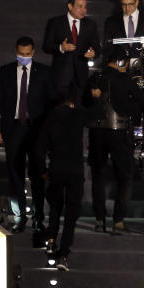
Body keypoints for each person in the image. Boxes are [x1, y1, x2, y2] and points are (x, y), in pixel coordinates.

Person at [85, 45, 144, 234]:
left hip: (97, 132)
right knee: (124, 178)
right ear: (121, 62)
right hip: (120, 133)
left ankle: (99, 220)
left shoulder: (95, 78)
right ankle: (118, 222)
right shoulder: (126, 80)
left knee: (98, 177)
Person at [0, 36, 52, 233]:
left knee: (37, 175)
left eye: (27, 54)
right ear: (16, 52)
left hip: (36, 131)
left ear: (32, 52)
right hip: (13, 128)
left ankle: (39, 217)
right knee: (14, 174)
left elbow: (50, 103)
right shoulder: (6, 72)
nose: (24, 57)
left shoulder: (44, 72)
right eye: (20, 54)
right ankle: (19, 217)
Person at [35, 93, 86, 271]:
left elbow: (39, 148)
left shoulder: (50, 117)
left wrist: (42, 170)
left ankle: (50, 241)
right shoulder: (79, 116)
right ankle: (63, 255)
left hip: (56, 169)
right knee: (71, 214)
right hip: (75, 170)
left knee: (55, 207)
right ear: (72, 103)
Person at [42, 0, 100, 103]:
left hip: (80, 77)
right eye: (80, 6)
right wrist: (61, 47)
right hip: (60, 77)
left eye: (85, 7)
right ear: (70, 6)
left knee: (77, 113)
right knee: (59, 112)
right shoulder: (55, 23)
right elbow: (46, 46)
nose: (83, 10)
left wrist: (94, 53)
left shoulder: (90, 25)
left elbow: (97, 48)